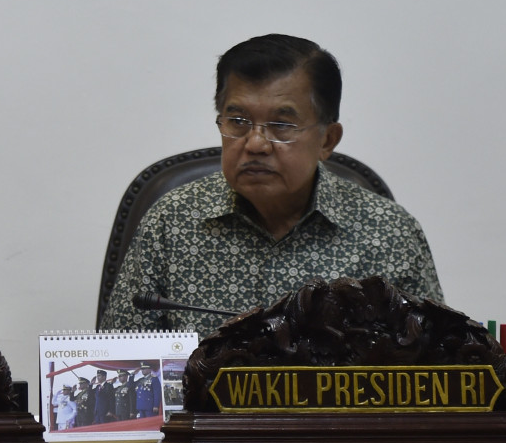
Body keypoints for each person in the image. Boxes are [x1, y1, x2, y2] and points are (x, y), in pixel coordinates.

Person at [100, 34, 443, 337]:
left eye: (281, 125)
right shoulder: (170, 223)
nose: (256, 143)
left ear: (327, 139)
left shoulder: (389, 234)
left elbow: (437, 372)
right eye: (238, 122)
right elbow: (119, 365)